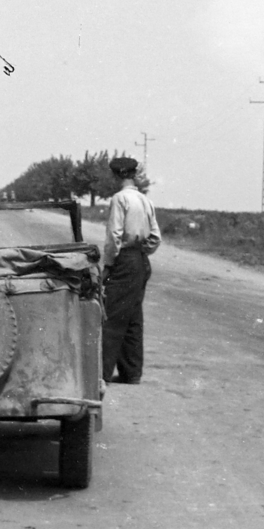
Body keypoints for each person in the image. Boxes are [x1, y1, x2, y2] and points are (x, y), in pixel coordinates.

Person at [101, 155, 160, 384]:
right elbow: (155, 237)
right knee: (133, 317)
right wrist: (141, 251)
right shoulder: (144, 200)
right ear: (133, 175)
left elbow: (114, 236)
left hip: (124, 260)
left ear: (116, 175)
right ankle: (131, 372)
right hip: (141, 260)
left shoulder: (119, 199)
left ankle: (101, 374)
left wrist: (108, 265)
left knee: (113, 317)